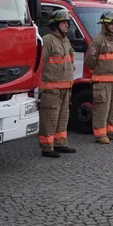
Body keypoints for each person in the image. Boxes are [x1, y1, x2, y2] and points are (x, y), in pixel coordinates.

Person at [84, 10, 113, 144]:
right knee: (102, 109)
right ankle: (100, 134)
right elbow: (89, 61)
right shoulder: (98, 41)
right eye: (111, 24)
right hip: (102, 83)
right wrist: (99, 72)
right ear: (104, 25)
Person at [38, 10, 77, 158]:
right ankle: (47, 147)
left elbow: (70, 60)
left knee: (63, 117)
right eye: (64, 22)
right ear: (55, 25)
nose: (67, 25)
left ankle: (60, 143)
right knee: (50, 118)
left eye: (67, 22)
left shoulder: (65, 41)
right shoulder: (48, 40)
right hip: (51, 89)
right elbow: (40, 64)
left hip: (65, 87)